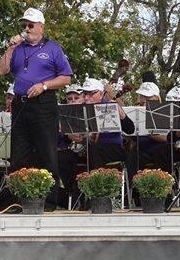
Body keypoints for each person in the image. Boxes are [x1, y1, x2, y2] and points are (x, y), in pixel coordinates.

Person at [0, 7, 72, 194]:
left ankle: (50, 198)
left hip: (43, 103)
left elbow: (66, 78)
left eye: (31, 25)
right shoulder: (18, 49)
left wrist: (44, 85)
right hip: (21, 103)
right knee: (19, 151)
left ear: (41, 26)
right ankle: (19, 195)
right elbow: (2, 71)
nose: (27, 29)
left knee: (46, 150)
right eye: (24, 25)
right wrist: (10, 48)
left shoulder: (53, 48)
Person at [57, 77, 135, 207]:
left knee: (95, 150)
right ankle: (75, 194)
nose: (87, 98)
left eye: (90, 94)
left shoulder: (109, 106)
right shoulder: (79, 110)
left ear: (100, 93)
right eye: (85, 94)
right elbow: (68, 136)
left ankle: (96, 195)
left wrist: (120, 113)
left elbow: (130, 129)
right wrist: (70, 135)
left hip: (112, 148)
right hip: (88, 149)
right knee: (62, 157)